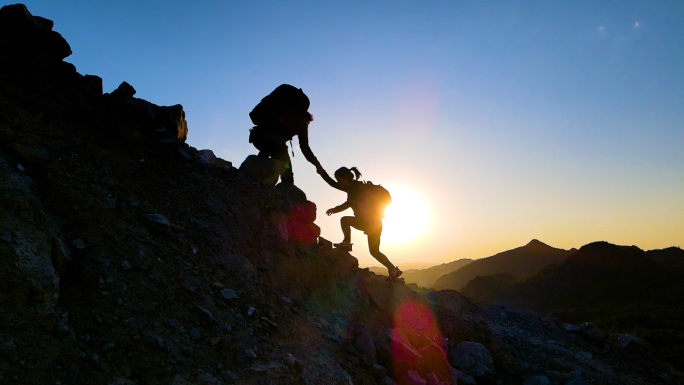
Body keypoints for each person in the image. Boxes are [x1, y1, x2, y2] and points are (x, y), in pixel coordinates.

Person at [318, 166, 402, 282]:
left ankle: (347, 242)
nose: (338, 183)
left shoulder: (357, 189)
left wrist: (334, 209)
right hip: (373, 223)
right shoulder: (353, 188)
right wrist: (321, 172)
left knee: (345, 220)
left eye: (339, 179)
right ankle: (393, 269)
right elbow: (333, 184)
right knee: (374, 251)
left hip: (371, 223)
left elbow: (350, 203)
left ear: (345, 178)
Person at [248, 84, 323, 183]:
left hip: (257, 137)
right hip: (274, 144)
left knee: (269, 151)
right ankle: (288, 192)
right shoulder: (301, 123)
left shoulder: (280, 108)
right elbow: (305, 148)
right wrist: (317, 165)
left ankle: (252, 179)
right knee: (287, 173)